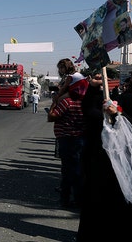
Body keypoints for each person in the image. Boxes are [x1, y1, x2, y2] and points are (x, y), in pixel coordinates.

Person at [77, 73, 132, 241]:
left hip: (120, 195)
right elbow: (90, 112)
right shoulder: (107, 133)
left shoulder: (131, 134)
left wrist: (119, 117)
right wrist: (94, 89)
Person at [47, 74, 88, 208]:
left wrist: (54, 103)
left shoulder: (67, 101)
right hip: (81, 139)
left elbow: (52, 117)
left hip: (67, 139)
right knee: (78, 169)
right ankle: (78, 197)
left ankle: (65, 199)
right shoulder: (86, 102)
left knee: (67, 170)